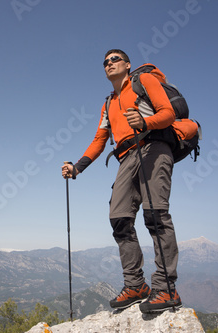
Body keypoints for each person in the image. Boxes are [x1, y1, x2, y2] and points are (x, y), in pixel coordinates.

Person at [61, 49, 182, 313]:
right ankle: (135, 285)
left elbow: (169, 113)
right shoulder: (108, 103)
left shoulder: (144, 82)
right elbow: (99, 140)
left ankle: (166, 288)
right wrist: (77, 168)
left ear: (127, 65)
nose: (109, 64)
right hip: (126, 157)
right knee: (119, 218)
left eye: (114, 59)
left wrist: (145, 120)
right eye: (105, 62)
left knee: (156, 216)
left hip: (154, 146)